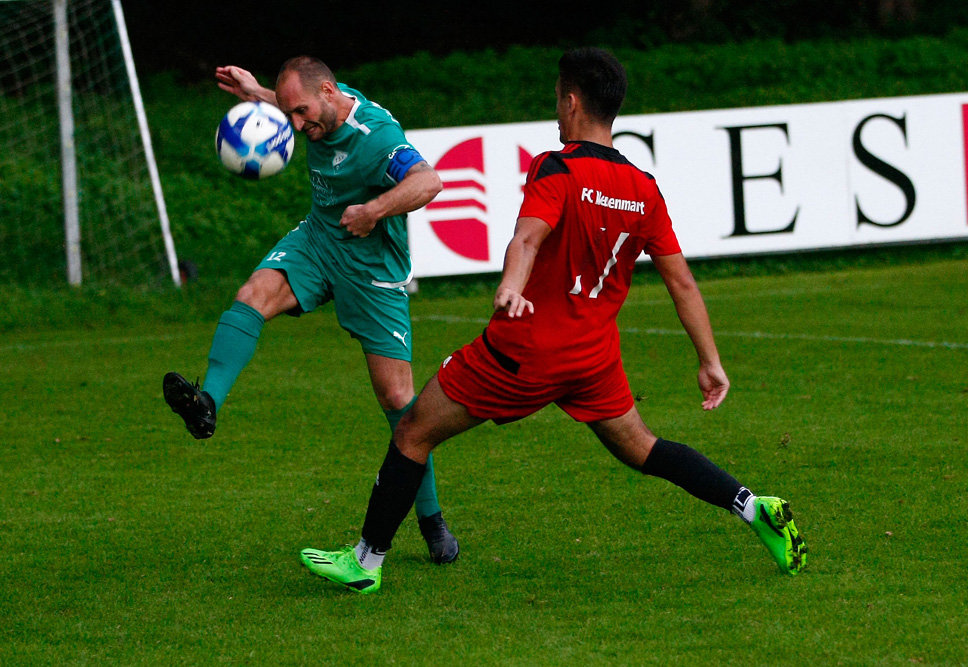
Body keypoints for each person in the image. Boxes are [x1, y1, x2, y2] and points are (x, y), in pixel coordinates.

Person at [298, 47, 807, 594]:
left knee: (414, 431)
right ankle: (754, 508)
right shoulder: (644, 188)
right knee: (643, 447)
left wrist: (511, 287)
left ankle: (366, 561)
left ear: (572, 101)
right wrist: (710, 361)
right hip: (592, 358)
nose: (556, 113)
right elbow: (681, 281)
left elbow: (527, 237)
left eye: (558, 102)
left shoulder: (557, 166)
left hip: (526, 349)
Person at [162, 56, 459, 564]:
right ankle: (206, 403)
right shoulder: (319, 101)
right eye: (291, 114)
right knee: (253, 293)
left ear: (327, 91)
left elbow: (429, 182)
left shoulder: (377, 137)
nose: (297, 126)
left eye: (301, 113)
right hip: (319, 242)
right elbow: (295, 100)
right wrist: (256, 90)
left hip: (372, 268)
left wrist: (374, 210)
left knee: (398, 400)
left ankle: (431, 521)